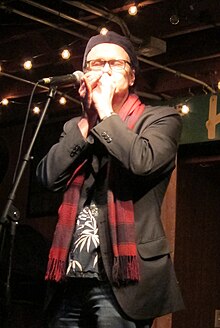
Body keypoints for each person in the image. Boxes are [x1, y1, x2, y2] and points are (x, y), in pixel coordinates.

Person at [36, 31, 184, 328]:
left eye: (114, 63)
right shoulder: (75, 126)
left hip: (122, 279)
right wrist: (87, 122)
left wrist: (104, 111)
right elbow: (47, 178)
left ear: (131, 77)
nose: (104, 70)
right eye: (96, 63)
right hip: (69, 277)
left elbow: (142, 162)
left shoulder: (160, 119)